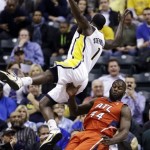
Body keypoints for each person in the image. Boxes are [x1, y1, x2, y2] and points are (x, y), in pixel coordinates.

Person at [0, 1, 130, 148]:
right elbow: (117, 42)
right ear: (102, 27)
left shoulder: (88, 28)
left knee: (52, 73)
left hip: (76, 65)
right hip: (82, 79)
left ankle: (20, 81)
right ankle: (54, 130)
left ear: (92, 21)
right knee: (44, 103)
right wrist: (120, 24)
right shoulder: (101, 40)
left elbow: (78, 15)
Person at [65, 79, 131, 150]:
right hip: (82, 133)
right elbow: (75, 111)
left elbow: (124, 131)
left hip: (98, 137)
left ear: (124, 93)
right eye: (114, 87)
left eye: (119, 88)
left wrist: (112, 140)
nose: (116, 89)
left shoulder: (124, 108)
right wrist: (71, 97)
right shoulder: (98, 100)